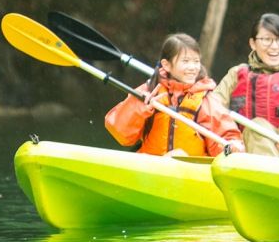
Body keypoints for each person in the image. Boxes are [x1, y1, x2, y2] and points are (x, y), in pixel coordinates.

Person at [105, 33, 245, 157]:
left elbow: (225, 136)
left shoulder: (205, 99)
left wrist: (231, 147)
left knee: (177, 155)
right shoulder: (150, 90)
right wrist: (139, 107)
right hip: (150, 168)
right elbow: (120, 133)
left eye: (196, 61)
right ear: (166, 65)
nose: (192, 67)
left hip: (189, 172)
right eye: (185, 61)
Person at [214, 13, 279, 158]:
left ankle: (268, 176)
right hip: (239, 148)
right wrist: (229, 139)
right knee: (252, 130)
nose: (274, 46)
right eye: (266, 39)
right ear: (252, 43)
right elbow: (213, 108)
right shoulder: (236, 74)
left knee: (256, 127)